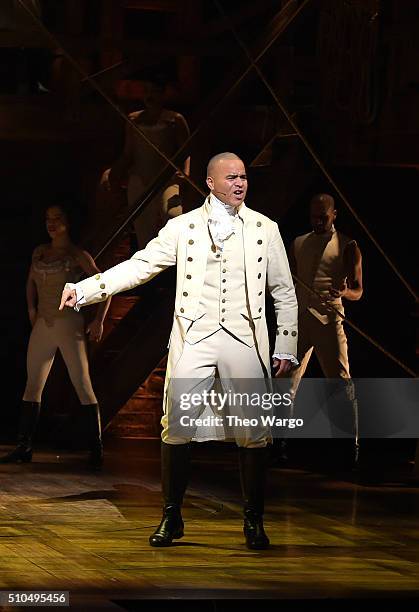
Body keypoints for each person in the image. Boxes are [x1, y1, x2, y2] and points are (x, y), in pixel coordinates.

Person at [60, 152, 298, 550]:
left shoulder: (264, 228)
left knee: (254, 431)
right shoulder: (183, 227)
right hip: (196, 335)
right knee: (177, 425)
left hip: (244, 334)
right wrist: (86, 290)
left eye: (243, 177)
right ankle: (172, 517)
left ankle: (253, 521)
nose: (240, 183)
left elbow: (284, 291)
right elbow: (139, 266)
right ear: (210, 182)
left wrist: (286, 343)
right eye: (231, 177)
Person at [0, 203, 110, 468]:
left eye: (57, 218)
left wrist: (98, 320)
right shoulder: (40, 252)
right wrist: (31, 308)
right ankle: (24, 446)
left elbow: (105, 285)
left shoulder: (76, 255)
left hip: (68, 323)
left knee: (82, 384)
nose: (51, 224)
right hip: (43, 324)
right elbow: (30, 282)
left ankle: (96, 449)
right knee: (33, 384)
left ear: (68, 222)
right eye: (48, 219)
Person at [289, 193, 363, 460]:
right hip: (299, 319)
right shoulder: (298, 243)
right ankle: (277, 443)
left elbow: (358, 291)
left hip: (329, 320)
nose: (319, 221)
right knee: (285, 380)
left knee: (340, 382)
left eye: (324, 216)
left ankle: (349, 447)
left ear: (334, 214)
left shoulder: (348, 245)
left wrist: (344, 292)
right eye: (314, 216)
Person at [101, 77, 190, 249]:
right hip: (140, 177)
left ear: (163, 95)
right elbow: (128, 154)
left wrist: (186, 172)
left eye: (155, 92)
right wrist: (112, 173)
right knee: (142, 227)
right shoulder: (133, 120)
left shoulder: (175, 119)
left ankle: (178, 261)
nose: (150, 96)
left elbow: (187, 151)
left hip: (166, 178)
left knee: (173, 215)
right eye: (147, 92)